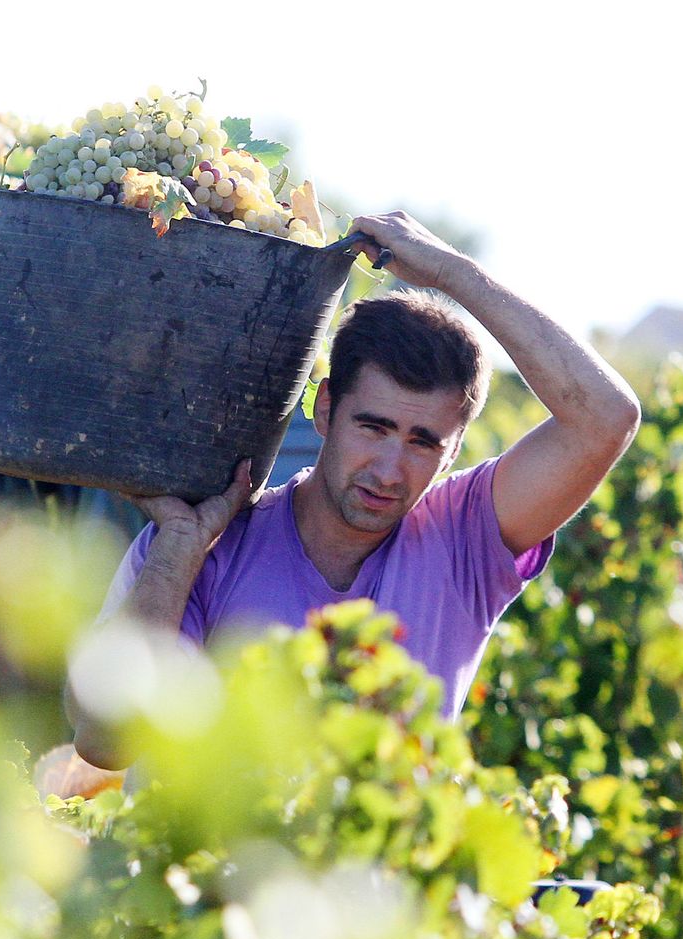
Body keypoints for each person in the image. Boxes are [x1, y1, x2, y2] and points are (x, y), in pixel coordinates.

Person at [68, 211, 642, 772]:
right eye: (373, 427)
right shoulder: (199, 549)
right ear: (324, 410)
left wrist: (451, 274)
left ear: (455, 451)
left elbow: (606, 419)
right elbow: (105, 741)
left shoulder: (462, 539)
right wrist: (180, 546)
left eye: (423, 443)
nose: (390, 470)